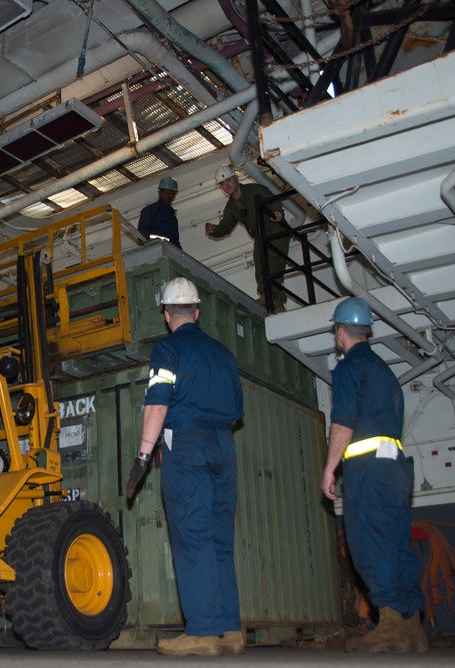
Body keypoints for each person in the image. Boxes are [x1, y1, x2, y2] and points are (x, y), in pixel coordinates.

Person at [126, 277, 244, 657]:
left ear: (166, 314)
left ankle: (204, 632)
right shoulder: (225, 354)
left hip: (187, 446)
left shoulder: (168, 349)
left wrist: (143, 456)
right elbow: (237, 412)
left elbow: (158, 402)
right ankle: (230, 631)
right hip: (224, 447)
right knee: (220, 541)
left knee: (193, 538)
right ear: (196, 311)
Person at [322, 297, 428, 653]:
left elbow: (343, 422)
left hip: (367, 470)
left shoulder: (350, 367)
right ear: (365, 329)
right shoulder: (384, 370)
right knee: (397, 542)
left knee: (369, 542)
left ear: (340, 332)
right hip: (396, 469)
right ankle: (412, 626)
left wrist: (329, 468)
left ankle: (392, 624)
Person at [205, 165, 290, 313]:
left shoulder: (255, 190)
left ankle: (274, 299)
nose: (226, 185)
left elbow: (273, 200)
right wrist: (215, 231)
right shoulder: (231, 207)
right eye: (222, 184)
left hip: (275, 229)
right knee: (260, 264)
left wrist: (277, 212)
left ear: (237, 179)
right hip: (260, 236)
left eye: (228, 181)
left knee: (273, 263)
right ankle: (270, 299)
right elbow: (226, 225)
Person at [138, 177, 181, 249]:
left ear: (174, 195)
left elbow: (175, 242)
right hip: (152, 250)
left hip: (167, 252)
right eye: (165, 192)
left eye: (170, 193)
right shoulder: (150, 210)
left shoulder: (172, 218)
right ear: (160, 193)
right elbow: (142, 234)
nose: (168, 195)